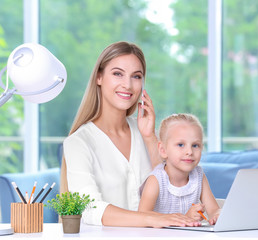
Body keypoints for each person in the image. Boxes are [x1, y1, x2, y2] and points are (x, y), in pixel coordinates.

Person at [60, 41, 200, 228]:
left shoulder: (145, 133)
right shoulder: (78, 143)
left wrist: (150, 137)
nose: (127, 85)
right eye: (118, 74)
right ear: (99, 77)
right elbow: (89, 208)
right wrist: (152, 218)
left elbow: (172, 186)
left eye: (136, 76)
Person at [138, 113, 220, 225]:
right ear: (163, 150)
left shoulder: (199, 176)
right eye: (181, 145)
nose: (189, 152)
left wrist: (217, 215)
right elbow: (142, 217)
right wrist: (186, 217)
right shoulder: (156, 180)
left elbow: (214, 209)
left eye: (195, 145)